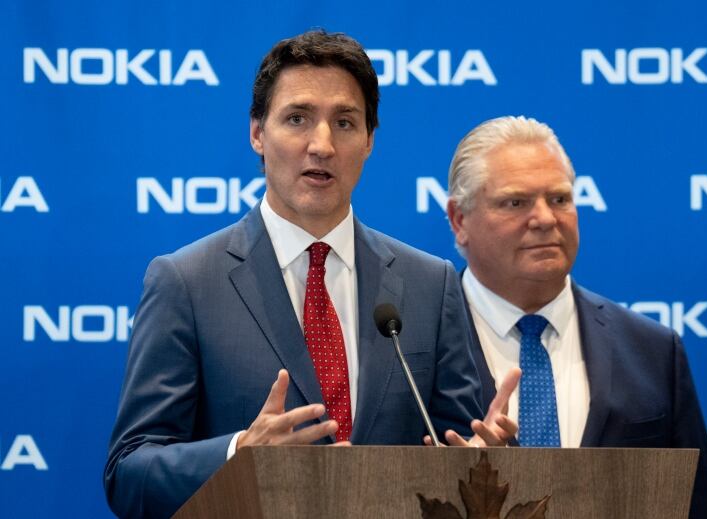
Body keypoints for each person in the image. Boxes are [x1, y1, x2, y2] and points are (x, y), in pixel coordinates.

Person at [104, 31, 513, 519]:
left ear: (369, 141)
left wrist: (479, 458)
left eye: (344, 122)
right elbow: (130, 474)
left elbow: (456, 442)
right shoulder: (186, 282)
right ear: (257, 132)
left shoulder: (430, 283)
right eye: (297, 118)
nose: (321, 144)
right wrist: (240, 453)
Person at [446, 115, 707, 519]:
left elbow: (698, 507)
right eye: (516, 202)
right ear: (459, 221)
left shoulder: (652, 350)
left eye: (559, 199)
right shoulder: (412, 343)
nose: (545, 218)